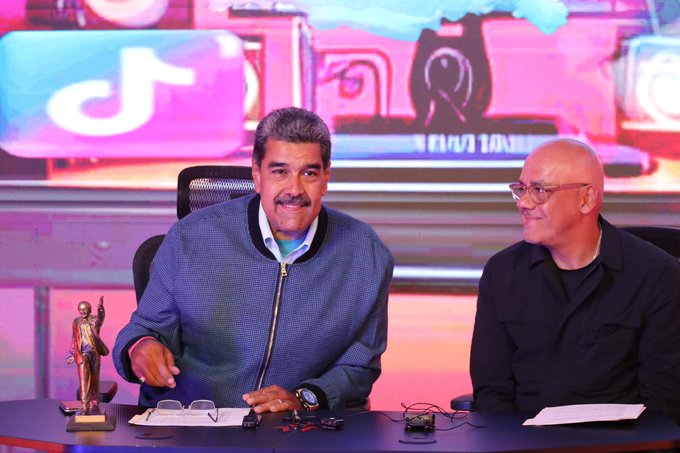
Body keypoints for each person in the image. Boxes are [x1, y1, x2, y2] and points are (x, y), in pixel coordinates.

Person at [113, 107, 394, 412]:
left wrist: (305, 398)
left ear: (326, 177)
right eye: (280, 172)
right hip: (193, 420)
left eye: (309, 173)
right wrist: (140, 347)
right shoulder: (189, 238)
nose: (294, 190)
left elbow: (360, 365)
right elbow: (143, 329)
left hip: (295, 428)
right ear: (257, 175)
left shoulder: (366, 255)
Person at [470, 138, 680, 420]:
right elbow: (491, 393)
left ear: (586, 199)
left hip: (622, 440)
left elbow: (664, 404)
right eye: (521, 189)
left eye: (539, 191)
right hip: (523, 438)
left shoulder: (658, 275)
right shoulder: (502, 273)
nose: (524, 203)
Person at [67, 296, 109, 413]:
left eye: (84, 309)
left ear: (89, 309)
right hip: (82, 354)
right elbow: (74, 338)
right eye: (80, 309)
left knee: (95, 380)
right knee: (84, 380)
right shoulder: (76, 321)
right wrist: (71, 354)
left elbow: (100, 318)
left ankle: (94, 404)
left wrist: (100, 309)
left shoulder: (95, 320)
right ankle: (85, 406)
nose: (82, 311)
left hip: (95, 354)